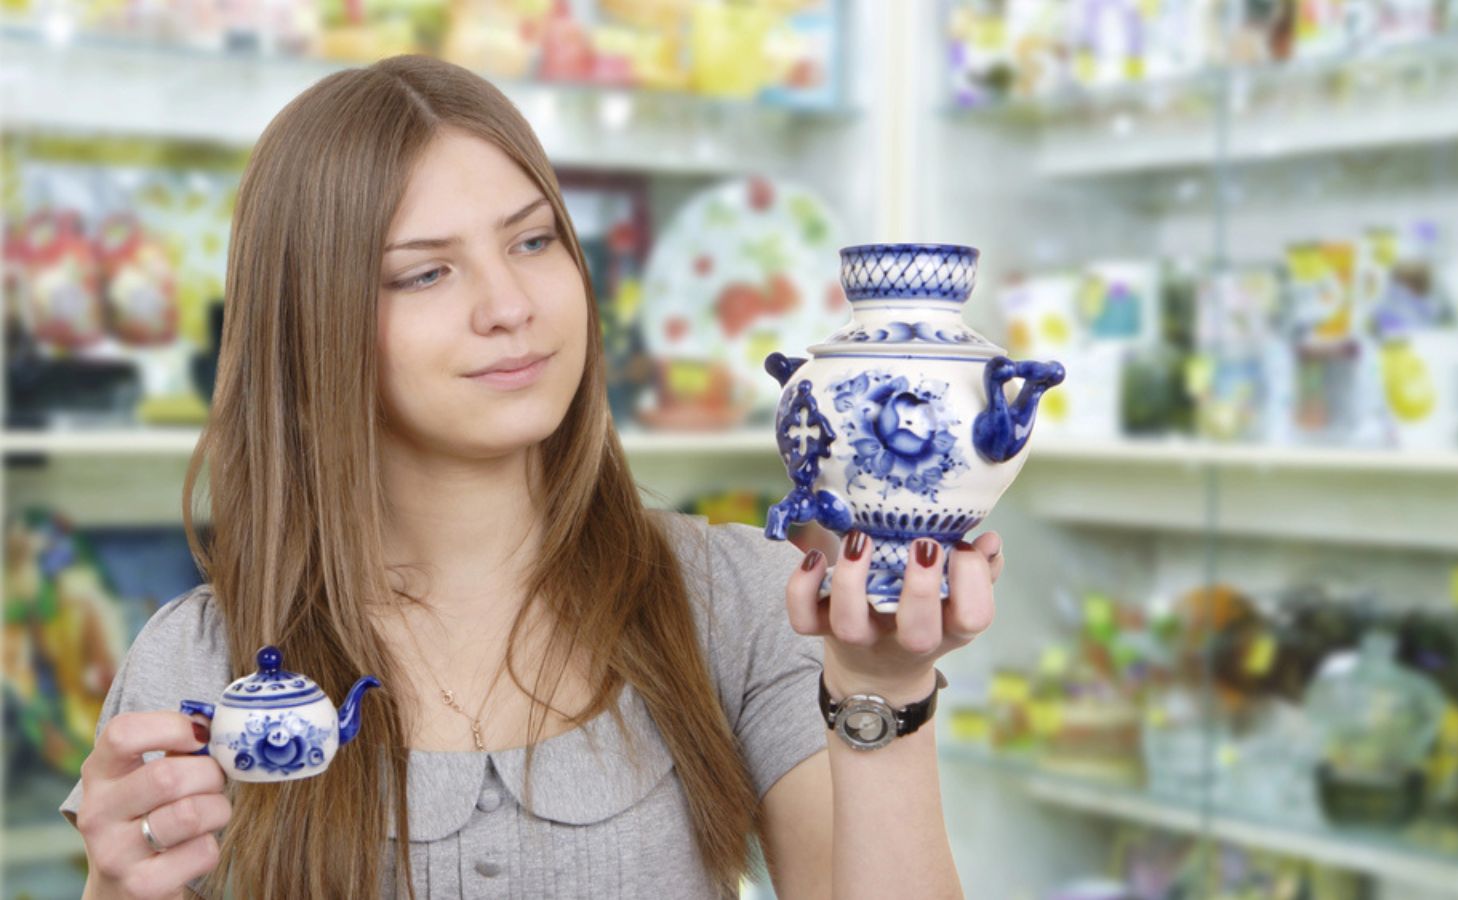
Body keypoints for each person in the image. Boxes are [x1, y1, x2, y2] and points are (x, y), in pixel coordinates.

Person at [58, 54, 1004, 900]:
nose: (509, 305)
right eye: (425, 274)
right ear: (312, 330)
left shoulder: (736, 601)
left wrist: (885, 686)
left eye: (533, 240)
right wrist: (114, 889)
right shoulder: (196, 663)